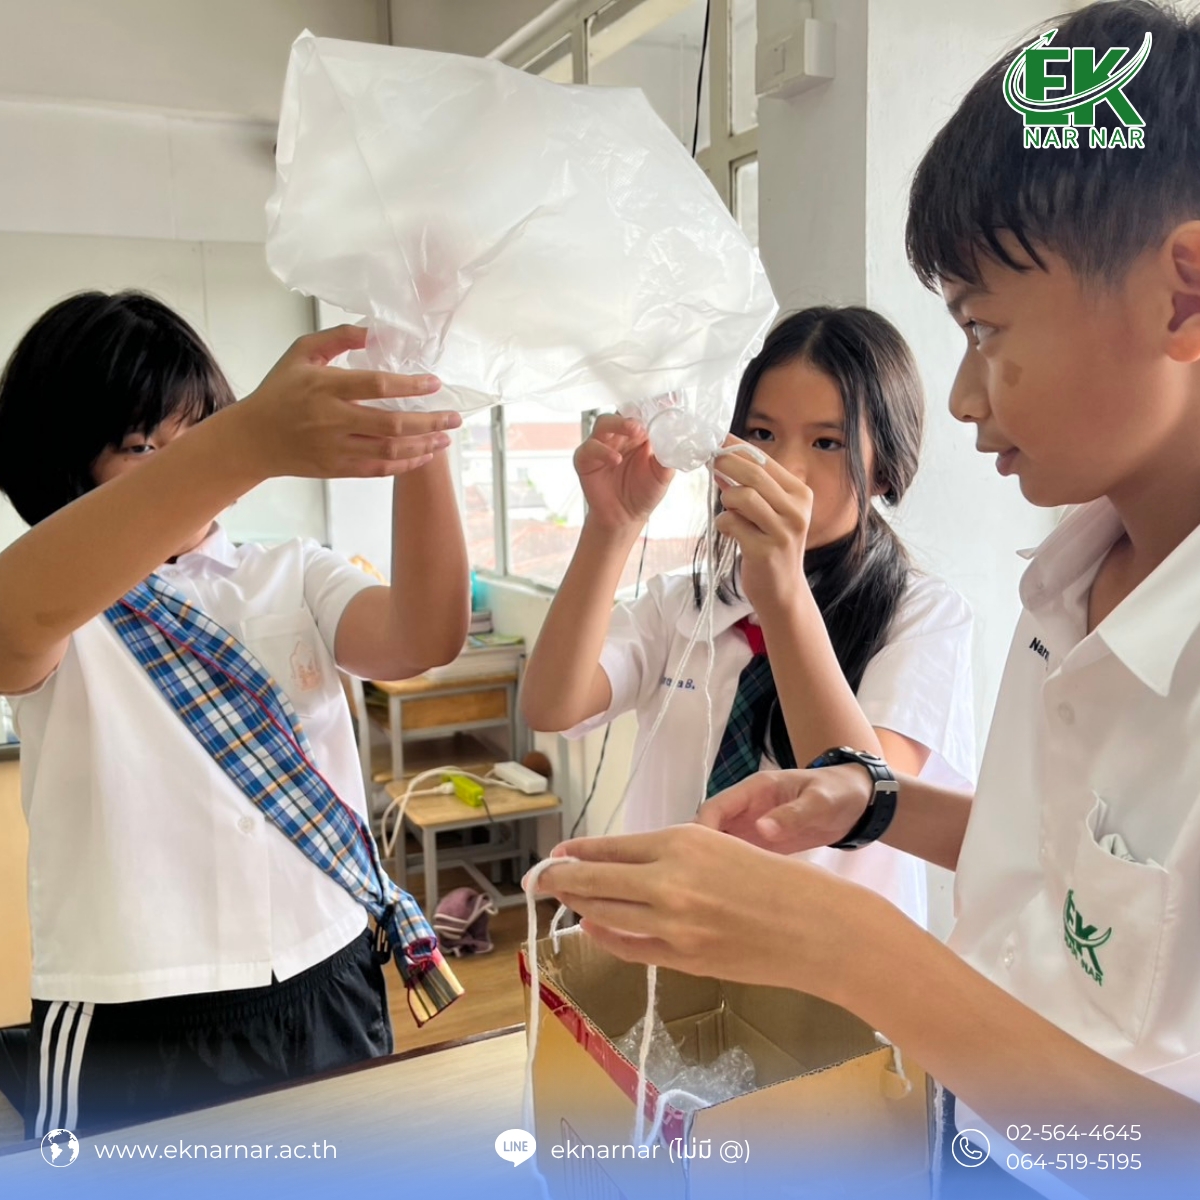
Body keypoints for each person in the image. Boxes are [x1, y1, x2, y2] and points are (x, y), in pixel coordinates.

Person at [535, 3, 1200, 1195]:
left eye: (986, 328)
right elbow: (1069, 864)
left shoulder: (929, 612)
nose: (967, 396)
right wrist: (877, 802)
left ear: (1183, 295)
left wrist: (852, 944)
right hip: (971, 1134)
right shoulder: (1067, 586)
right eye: (759, 433)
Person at [0, 292, 470, 1136]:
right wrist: (243, 442)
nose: (189, 465)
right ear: (62, 459)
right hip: (136, 1016)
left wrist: (417, 429)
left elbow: (423, 637)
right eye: (144, 447)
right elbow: (13, 621)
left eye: (203, 430)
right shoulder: (59, 600)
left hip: (331, 970)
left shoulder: (291, 569)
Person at [522, 305, 974, 926]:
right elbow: (552, 706)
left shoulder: (922, 616)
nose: (782, 467)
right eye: (760, 434)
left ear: (884, 469)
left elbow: (862, 803)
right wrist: (612, 525)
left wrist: (783, 590)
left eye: (827, 442)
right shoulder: (680, 605)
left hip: (828, 964)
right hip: (667, 945)